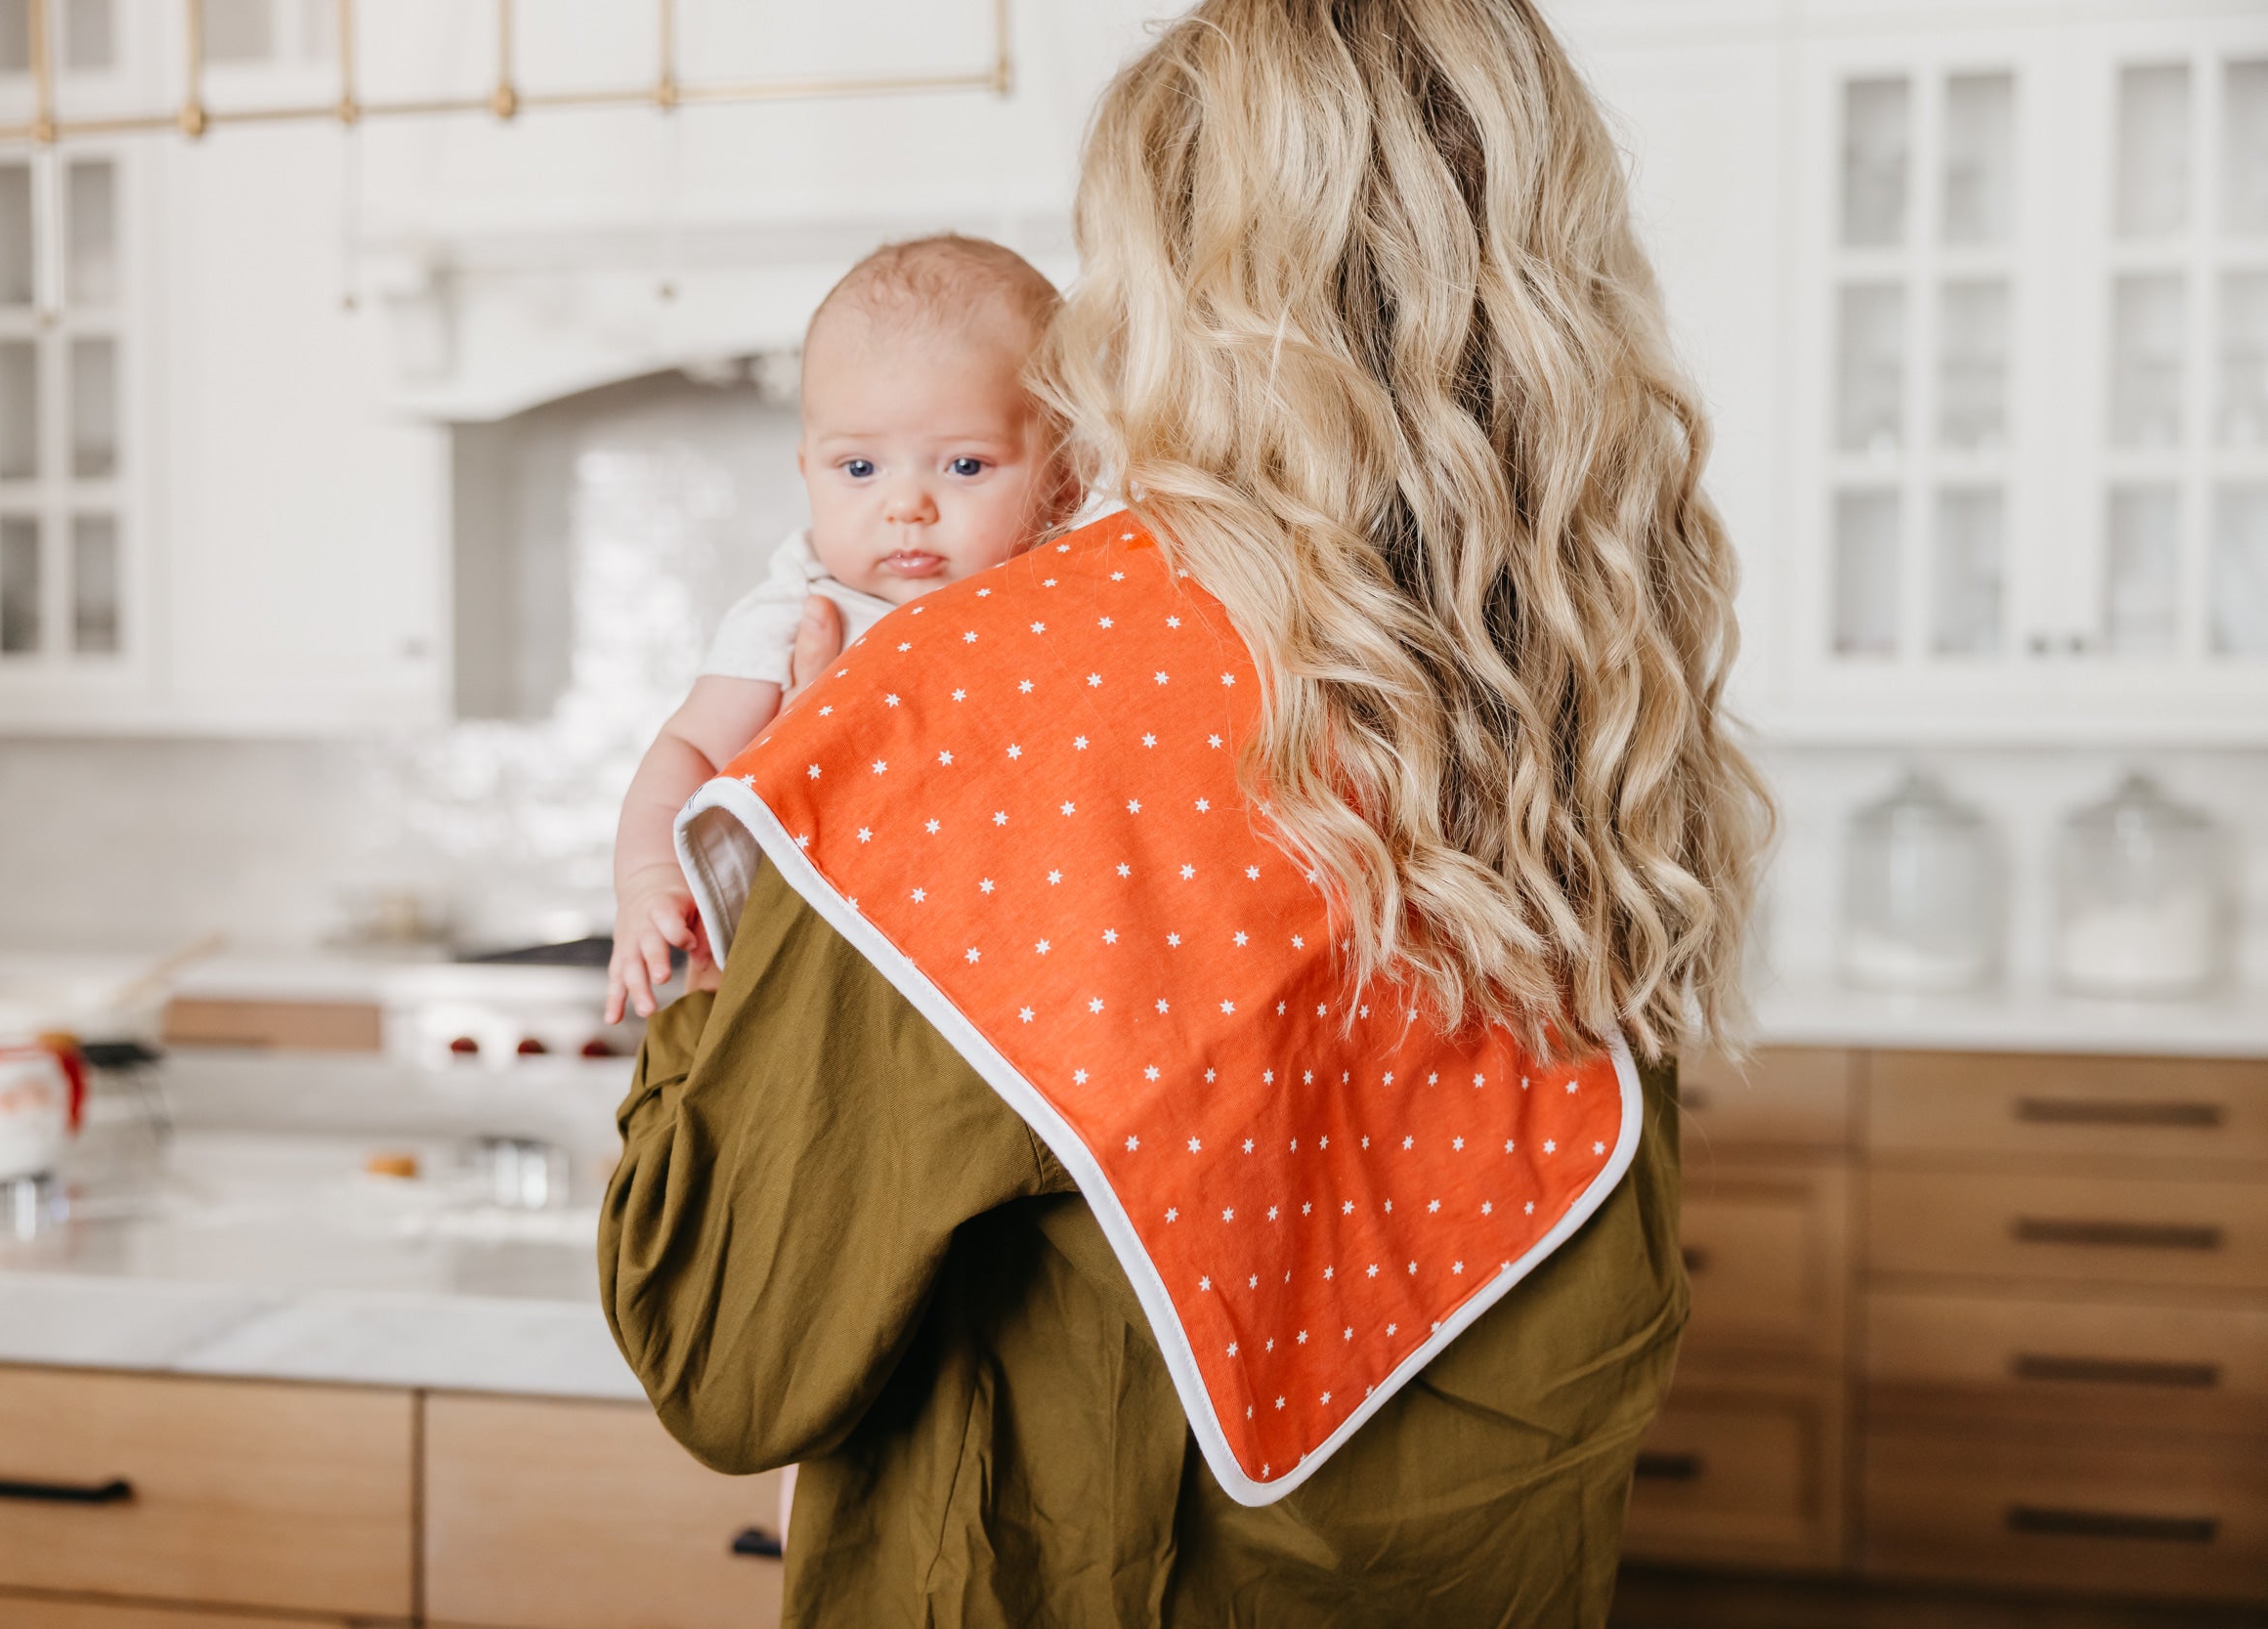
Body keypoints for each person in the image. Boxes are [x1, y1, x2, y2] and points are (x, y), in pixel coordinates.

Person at [598, 3, 1773, 1624]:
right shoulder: (1578, 694)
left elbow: (722, 1340)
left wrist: (763, 851)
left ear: (1157, 303)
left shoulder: (991, 696)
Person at [602, 235, 1069, 1025]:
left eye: (964, 465)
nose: (906, 505)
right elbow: (690, 749)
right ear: (807, 471)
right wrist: (650, 879)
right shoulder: (801, 609)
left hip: (1001, 982)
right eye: (860, 469)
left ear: (1064, 479)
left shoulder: (1065, 602)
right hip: (820, 976)